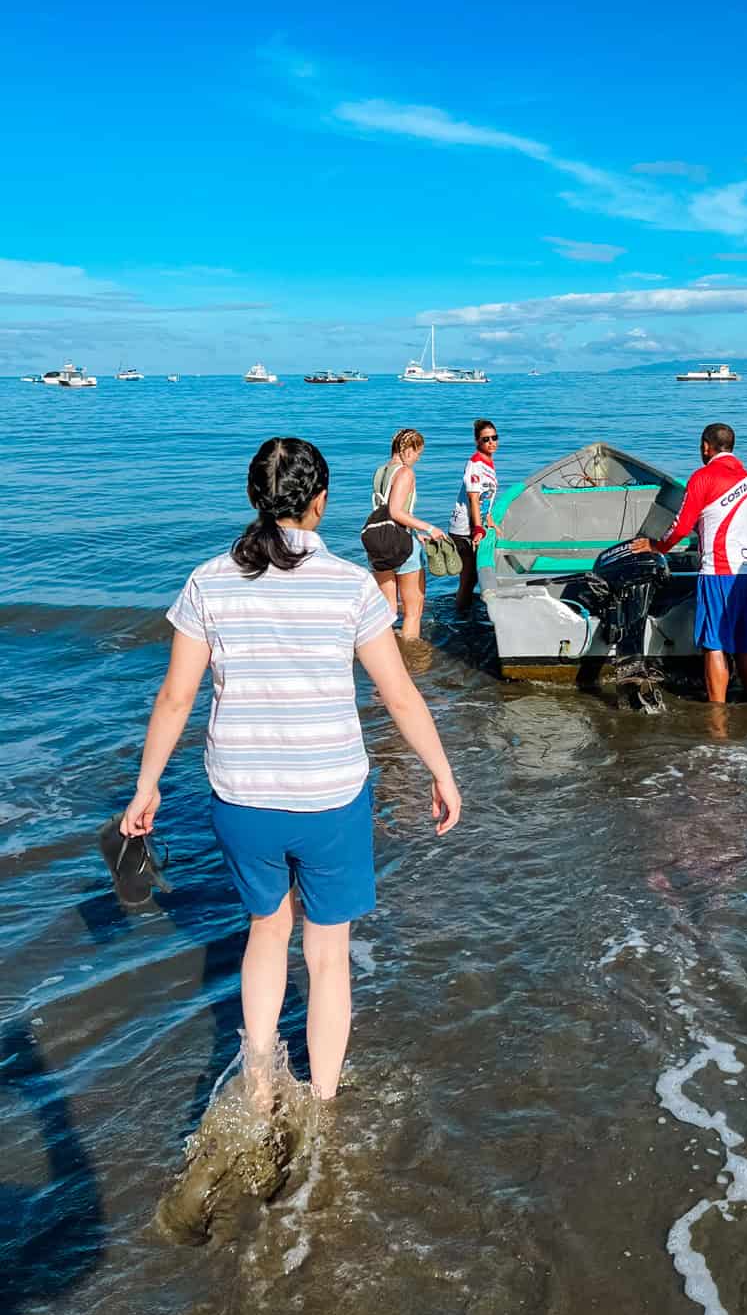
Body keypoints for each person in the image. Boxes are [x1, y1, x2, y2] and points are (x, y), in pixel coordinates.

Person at [119, 437, 461, 1103]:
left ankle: (257, 1084)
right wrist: (442, 773)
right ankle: (325, 1100)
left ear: (255, 497)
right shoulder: (349, 586)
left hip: (241, 797)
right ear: (321, 501)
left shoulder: (209, 581)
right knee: (328, 955)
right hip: (330, 795)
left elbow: (176, 696)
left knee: (266, 934)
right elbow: (398, 692)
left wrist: (147, 784)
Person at [633, 421, 747, 704]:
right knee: (745, 645)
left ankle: (717, 710)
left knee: (714, 644)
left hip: (719, 571)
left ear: (706, 446)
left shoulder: (703, 477)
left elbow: (680, 527)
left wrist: (656, 546)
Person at [366, 428, 446, 639]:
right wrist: (429, 528)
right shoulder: (405, 473)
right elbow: (395, 511)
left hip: (378, 543)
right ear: (408, 450)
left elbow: (383, 512)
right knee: (413, 612)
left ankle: (384, 652)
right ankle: (411, 660)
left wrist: (415, 533)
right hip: (402, 546)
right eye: (418, 453)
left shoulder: (380, 471)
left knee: (388, 609)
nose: (417, 459)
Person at [448, 418, 499, 613]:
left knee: (473, 578)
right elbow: (473, 498)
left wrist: (489, 519)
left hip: (474, 523)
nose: (491, 442)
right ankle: (460, 616)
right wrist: (478, 529)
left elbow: (487, 495)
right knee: (468, 579)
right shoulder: (475, 464)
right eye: (486, 439)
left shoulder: (488, 461)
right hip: (463, 529)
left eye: (494, 437)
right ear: (477, 441)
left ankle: (464, 610)